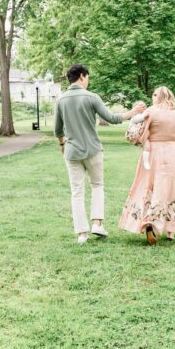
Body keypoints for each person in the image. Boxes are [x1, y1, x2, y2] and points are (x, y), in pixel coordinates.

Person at [54, 64, 145, 244]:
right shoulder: (91, 97)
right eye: (87, 77)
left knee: (77, 192)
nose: (88, 81)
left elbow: (57, 130)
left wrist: (63, 144)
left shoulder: (61, 100)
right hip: (93, 150)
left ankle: (82, 234)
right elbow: (112, 118)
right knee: (97, 185)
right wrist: (134, 112)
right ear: (82, 76)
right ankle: (97, 223)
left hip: (72, 152)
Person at [119, 86, 175, 245]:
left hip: (153, 153)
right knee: (171, 188)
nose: (152, 97)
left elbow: (135, 135)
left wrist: (145, 140)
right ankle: (170, 230)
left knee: (148, 186)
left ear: (159, 96)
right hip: (172, 152)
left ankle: (149, 221)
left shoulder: (152, 111)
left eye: (154, 94)